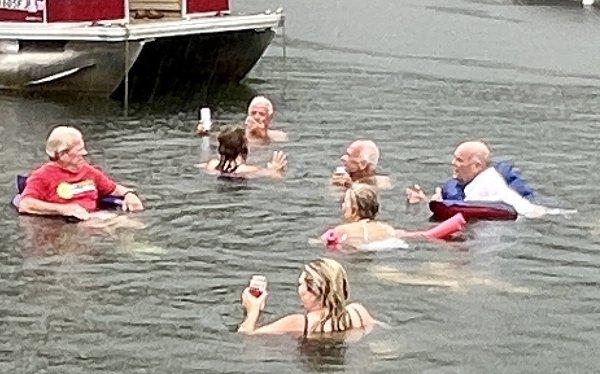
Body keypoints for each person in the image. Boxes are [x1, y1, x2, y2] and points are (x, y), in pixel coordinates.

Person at [18, 126, 144, 221]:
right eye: (79, 150)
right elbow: (25, 204)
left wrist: (129, 194)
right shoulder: (42, 176)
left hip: (94, 219)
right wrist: (64, 209)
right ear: (63, 154)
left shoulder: (89, 171)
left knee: (130, 224)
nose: (85, 153)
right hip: (65, 225)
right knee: (116, 223)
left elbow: (114, 189)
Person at [405, 140, 546, 218]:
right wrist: (424, 200)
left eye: (459, 160)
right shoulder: (477, 182)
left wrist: (434, 204)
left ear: (476, 166)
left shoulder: (486, 185)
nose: (453, 163)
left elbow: (462, 211)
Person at [238, 258, 376, 335]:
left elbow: (246, 336)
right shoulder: (358, 312)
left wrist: (252, 310)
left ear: (313, 290)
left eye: (300, 284)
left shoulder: (299, 323)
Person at [199, 125, 287, 179]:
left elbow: (202, 166)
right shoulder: (249, 170)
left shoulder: (211, 165)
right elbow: (276, 177)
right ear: (244, 148)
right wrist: (275, 169)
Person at [324, 184, 397, 247]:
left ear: (354, 209)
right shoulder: (387, 229)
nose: (342, 207)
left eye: (344, 202)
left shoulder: (341, 231)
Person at [195, 96, 288, 143]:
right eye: (253, 113)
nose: (256, 117)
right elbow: (221, 137)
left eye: (261, 114)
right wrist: (205, 134)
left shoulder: (279, 136)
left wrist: (263, 135)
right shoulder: (239, 134)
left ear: (269, 118)